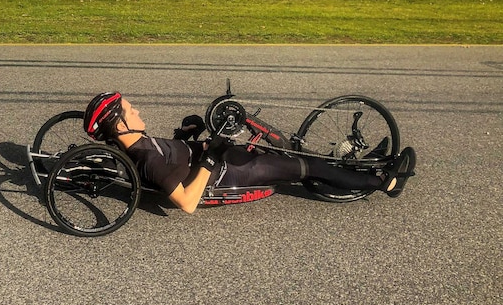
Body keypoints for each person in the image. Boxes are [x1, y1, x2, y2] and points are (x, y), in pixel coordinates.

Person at [84, 92, 416, 214]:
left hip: (215, 157)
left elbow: (173, 156)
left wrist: (184, 136)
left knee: (282, 144)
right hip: (231, 172)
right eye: (130, 110)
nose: (137, 110)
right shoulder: (149, 160)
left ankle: (357, 163)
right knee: (304, 166)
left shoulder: (139, 146)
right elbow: (186, 202)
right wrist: (212, 154)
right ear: (120, 125)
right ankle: (384, 181)